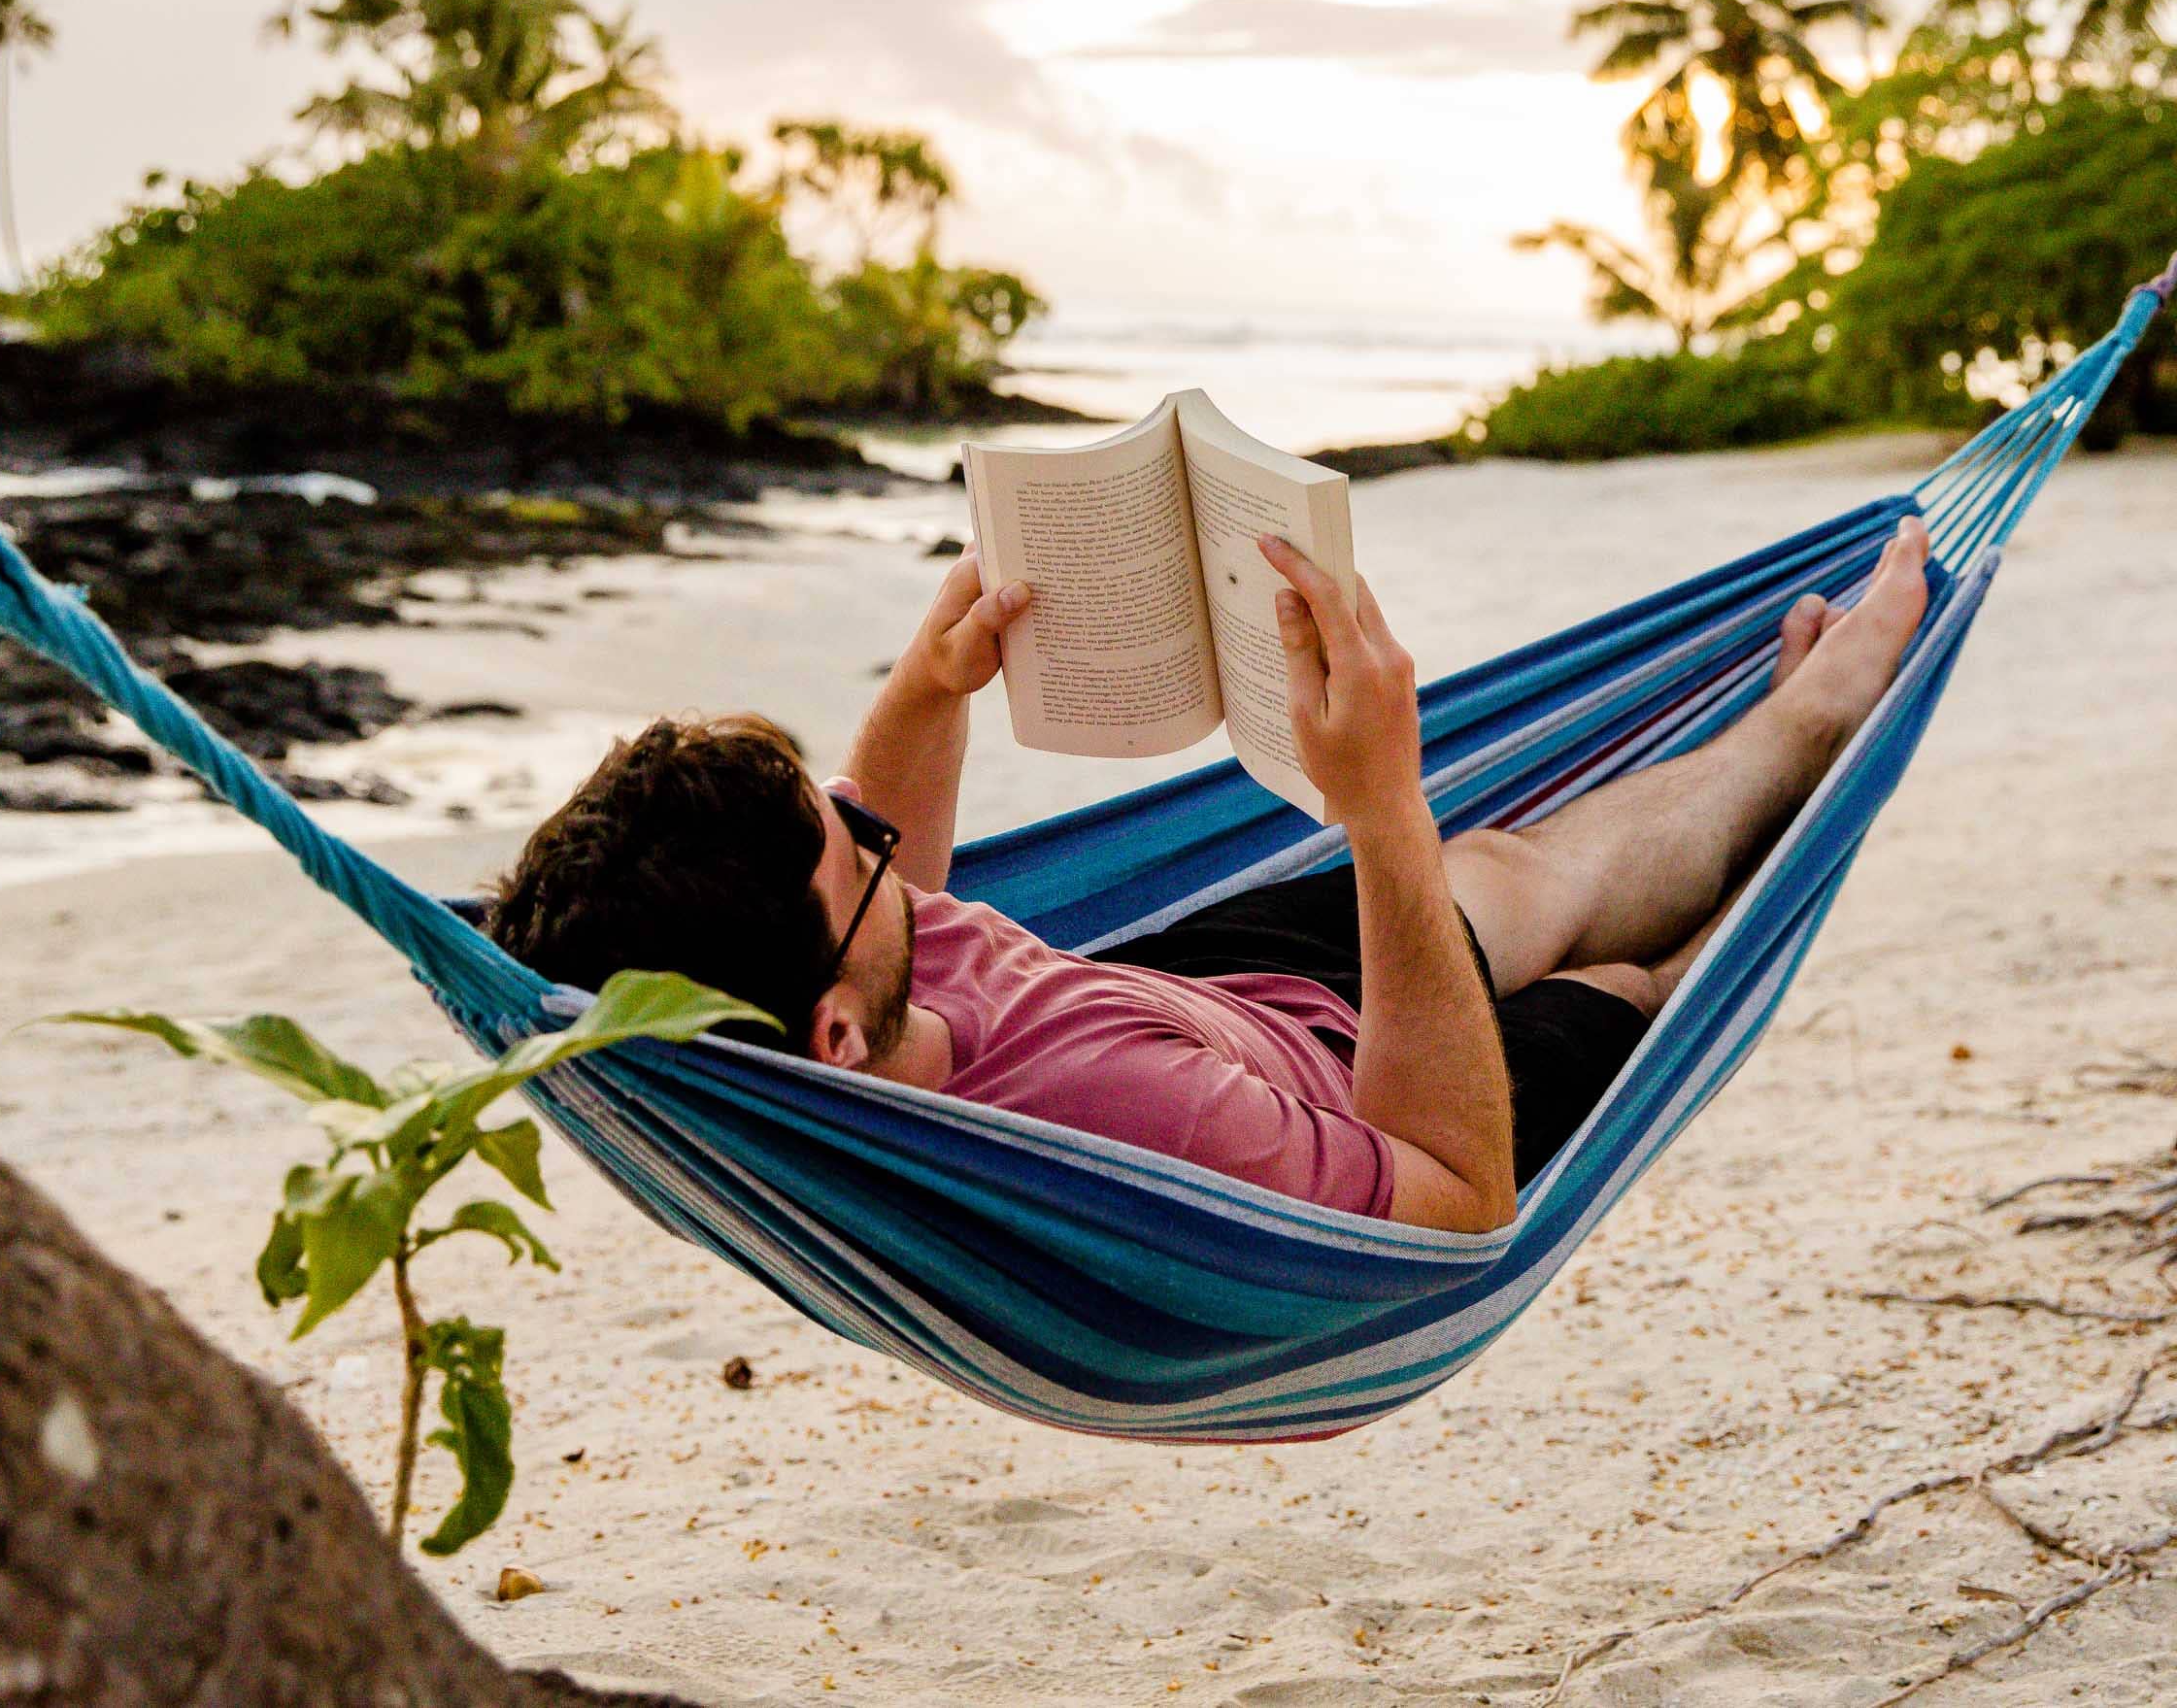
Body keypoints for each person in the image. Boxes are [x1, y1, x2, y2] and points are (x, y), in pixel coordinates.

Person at [483, 516, 1932, 1232]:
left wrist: (930, 693)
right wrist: (1372, 816)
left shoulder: (805, 989)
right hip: (1358, 1096)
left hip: (1191, 991)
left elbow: (877, 859)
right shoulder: (1121, 1119)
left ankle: (1780, 736)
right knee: (1627, 981)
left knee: (1507, 864)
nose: (881, 837)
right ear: (833, 1037)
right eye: (854, 848)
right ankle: (1804, 776)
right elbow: (1454, 1193)